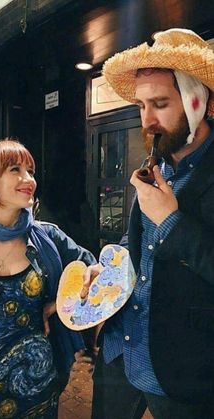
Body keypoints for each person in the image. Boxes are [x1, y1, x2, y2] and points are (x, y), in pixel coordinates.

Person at [82, 28, 214, 419]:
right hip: (121, 352)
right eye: (141, 106)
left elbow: (172, 235)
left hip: (184, 373)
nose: (148, 120)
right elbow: (137, 242)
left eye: (159, 103)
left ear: (202, 103)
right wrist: (106, 269)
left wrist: (172, 222)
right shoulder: (153, 166)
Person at [0, 139, 96, 418]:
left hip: (39, 381)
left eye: (30, 170)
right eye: (15, 169)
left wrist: (60, 302)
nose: (28, 179)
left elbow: (96, 273)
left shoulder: (47, 237)